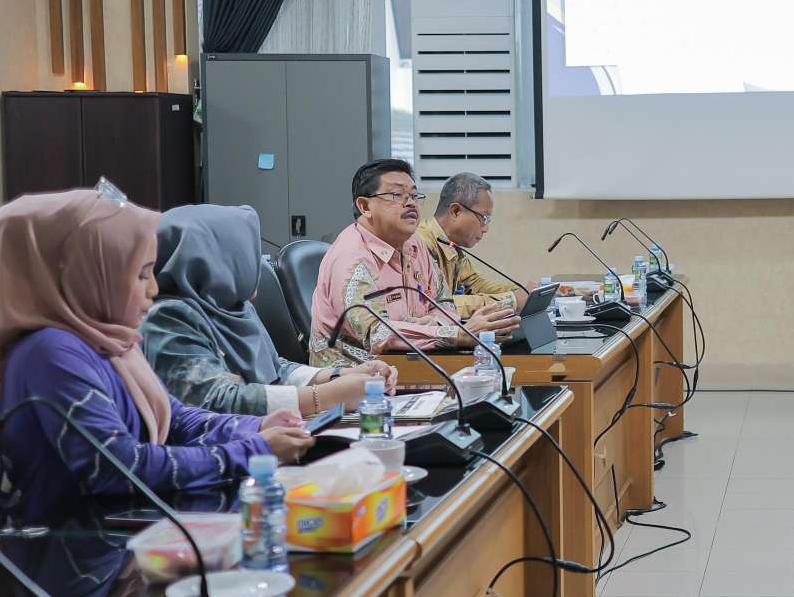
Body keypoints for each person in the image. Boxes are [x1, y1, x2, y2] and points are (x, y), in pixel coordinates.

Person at [0, 188, 309, 597]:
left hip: (116, 547)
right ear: (87, 274)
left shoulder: (104, 335)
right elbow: (120, 467)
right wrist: (252, 450)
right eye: (141, 274)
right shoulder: (51, 352)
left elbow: (175, 417)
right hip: (69, 573)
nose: (154, 289)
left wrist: (255, 426)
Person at [141, 203, 395, 416]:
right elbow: (216, 401)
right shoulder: (168, 318)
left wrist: (339, 375)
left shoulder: (235, 307)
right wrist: (324, 396)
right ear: (217, 259)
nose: (254, 261)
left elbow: (272, 369)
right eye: (246, 252)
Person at [310, 159, 506, 368]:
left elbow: (444, 302)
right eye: (397, 195)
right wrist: (454, 334)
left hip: (413, 367)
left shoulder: (414, 244)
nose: (410, 202)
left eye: (413, 195)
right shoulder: (351, 258)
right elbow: (376, 334)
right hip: (355, 380)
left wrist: (434, 323)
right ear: (365, 206)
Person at [419, 172, 530, 322]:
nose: (486, 228)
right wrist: (510, 300)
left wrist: (521, 292)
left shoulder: (450, 242)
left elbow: (474, 284)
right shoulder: (420, 244)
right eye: (483, 218)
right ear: (456, 211)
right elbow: (439, 305)